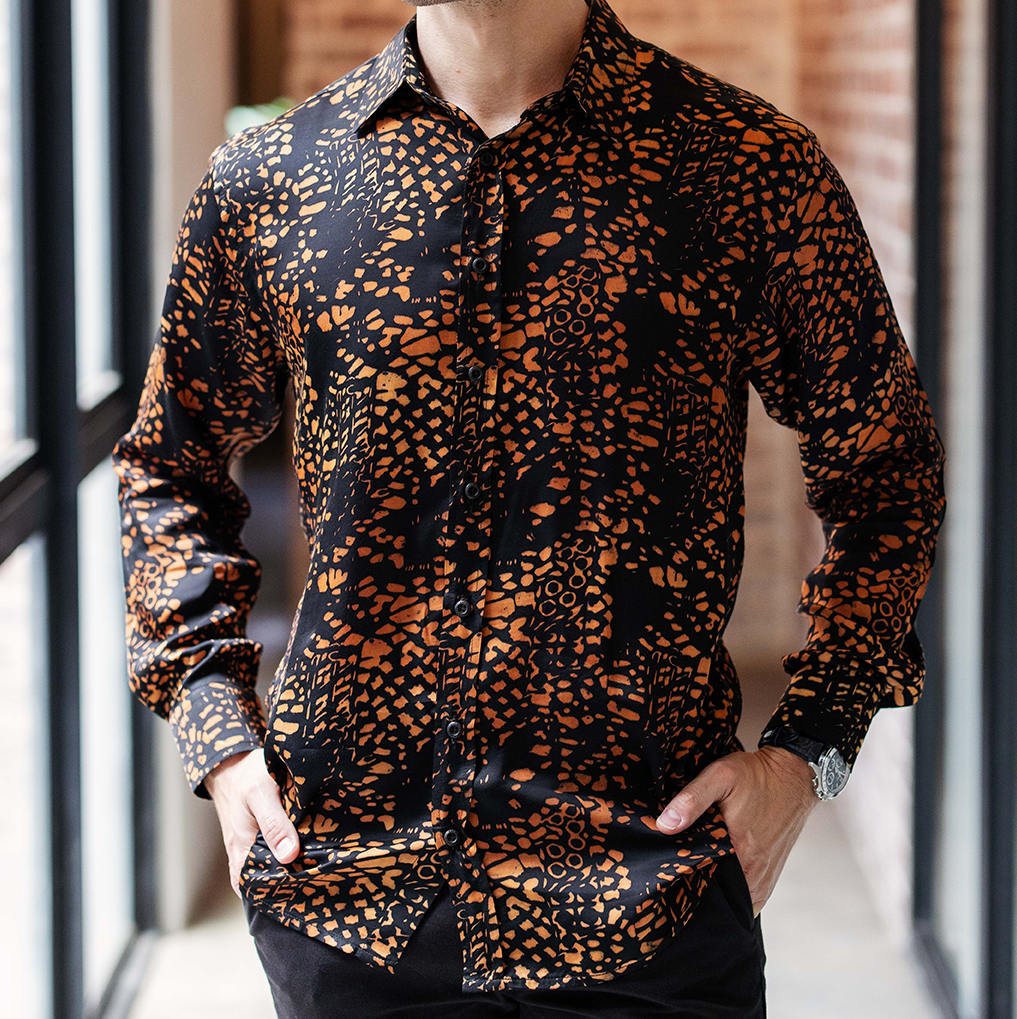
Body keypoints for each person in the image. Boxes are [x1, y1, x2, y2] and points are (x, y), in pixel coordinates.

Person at [111, 0, 947, 1015]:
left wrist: (811, 750)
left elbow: (886, 469)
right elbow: (169, 469)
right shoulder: (271, 178)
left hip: (649, 896)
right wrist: (219, 733)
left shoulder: (744, 166)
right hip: (349, 898)